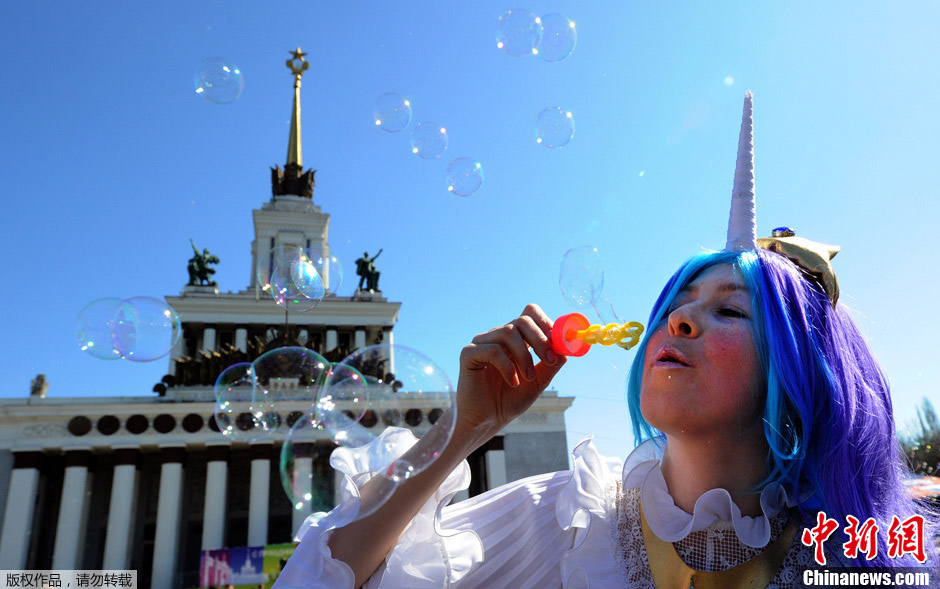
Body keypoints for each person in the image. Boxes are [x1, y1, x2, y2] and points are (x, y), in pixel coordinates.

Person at [274, 93, 937, 588]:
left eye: (731, 312)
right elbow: (322, 575)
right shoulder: (564, 525)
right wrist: (461, 430)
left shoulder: (863, 557)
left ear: (797, 370)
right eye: (676, 305)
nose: (675, 322)